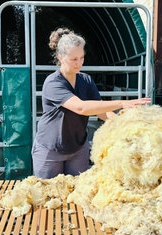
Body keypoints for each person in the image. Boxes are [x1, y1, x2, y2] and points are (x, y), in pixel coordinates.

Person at [32, 27, 151, 179]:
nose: (79, 63)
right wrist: (121, 103)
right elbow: (81, 107)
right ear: (61, 58)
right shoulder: (53, 83)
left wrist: (125, 126)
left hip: (78, 148)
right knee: (47, 194)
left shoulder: (86, 80)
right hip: (51, 150)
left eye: (81, 58)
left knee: (79, 192)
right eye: (74, 59)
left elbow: (101, 111)